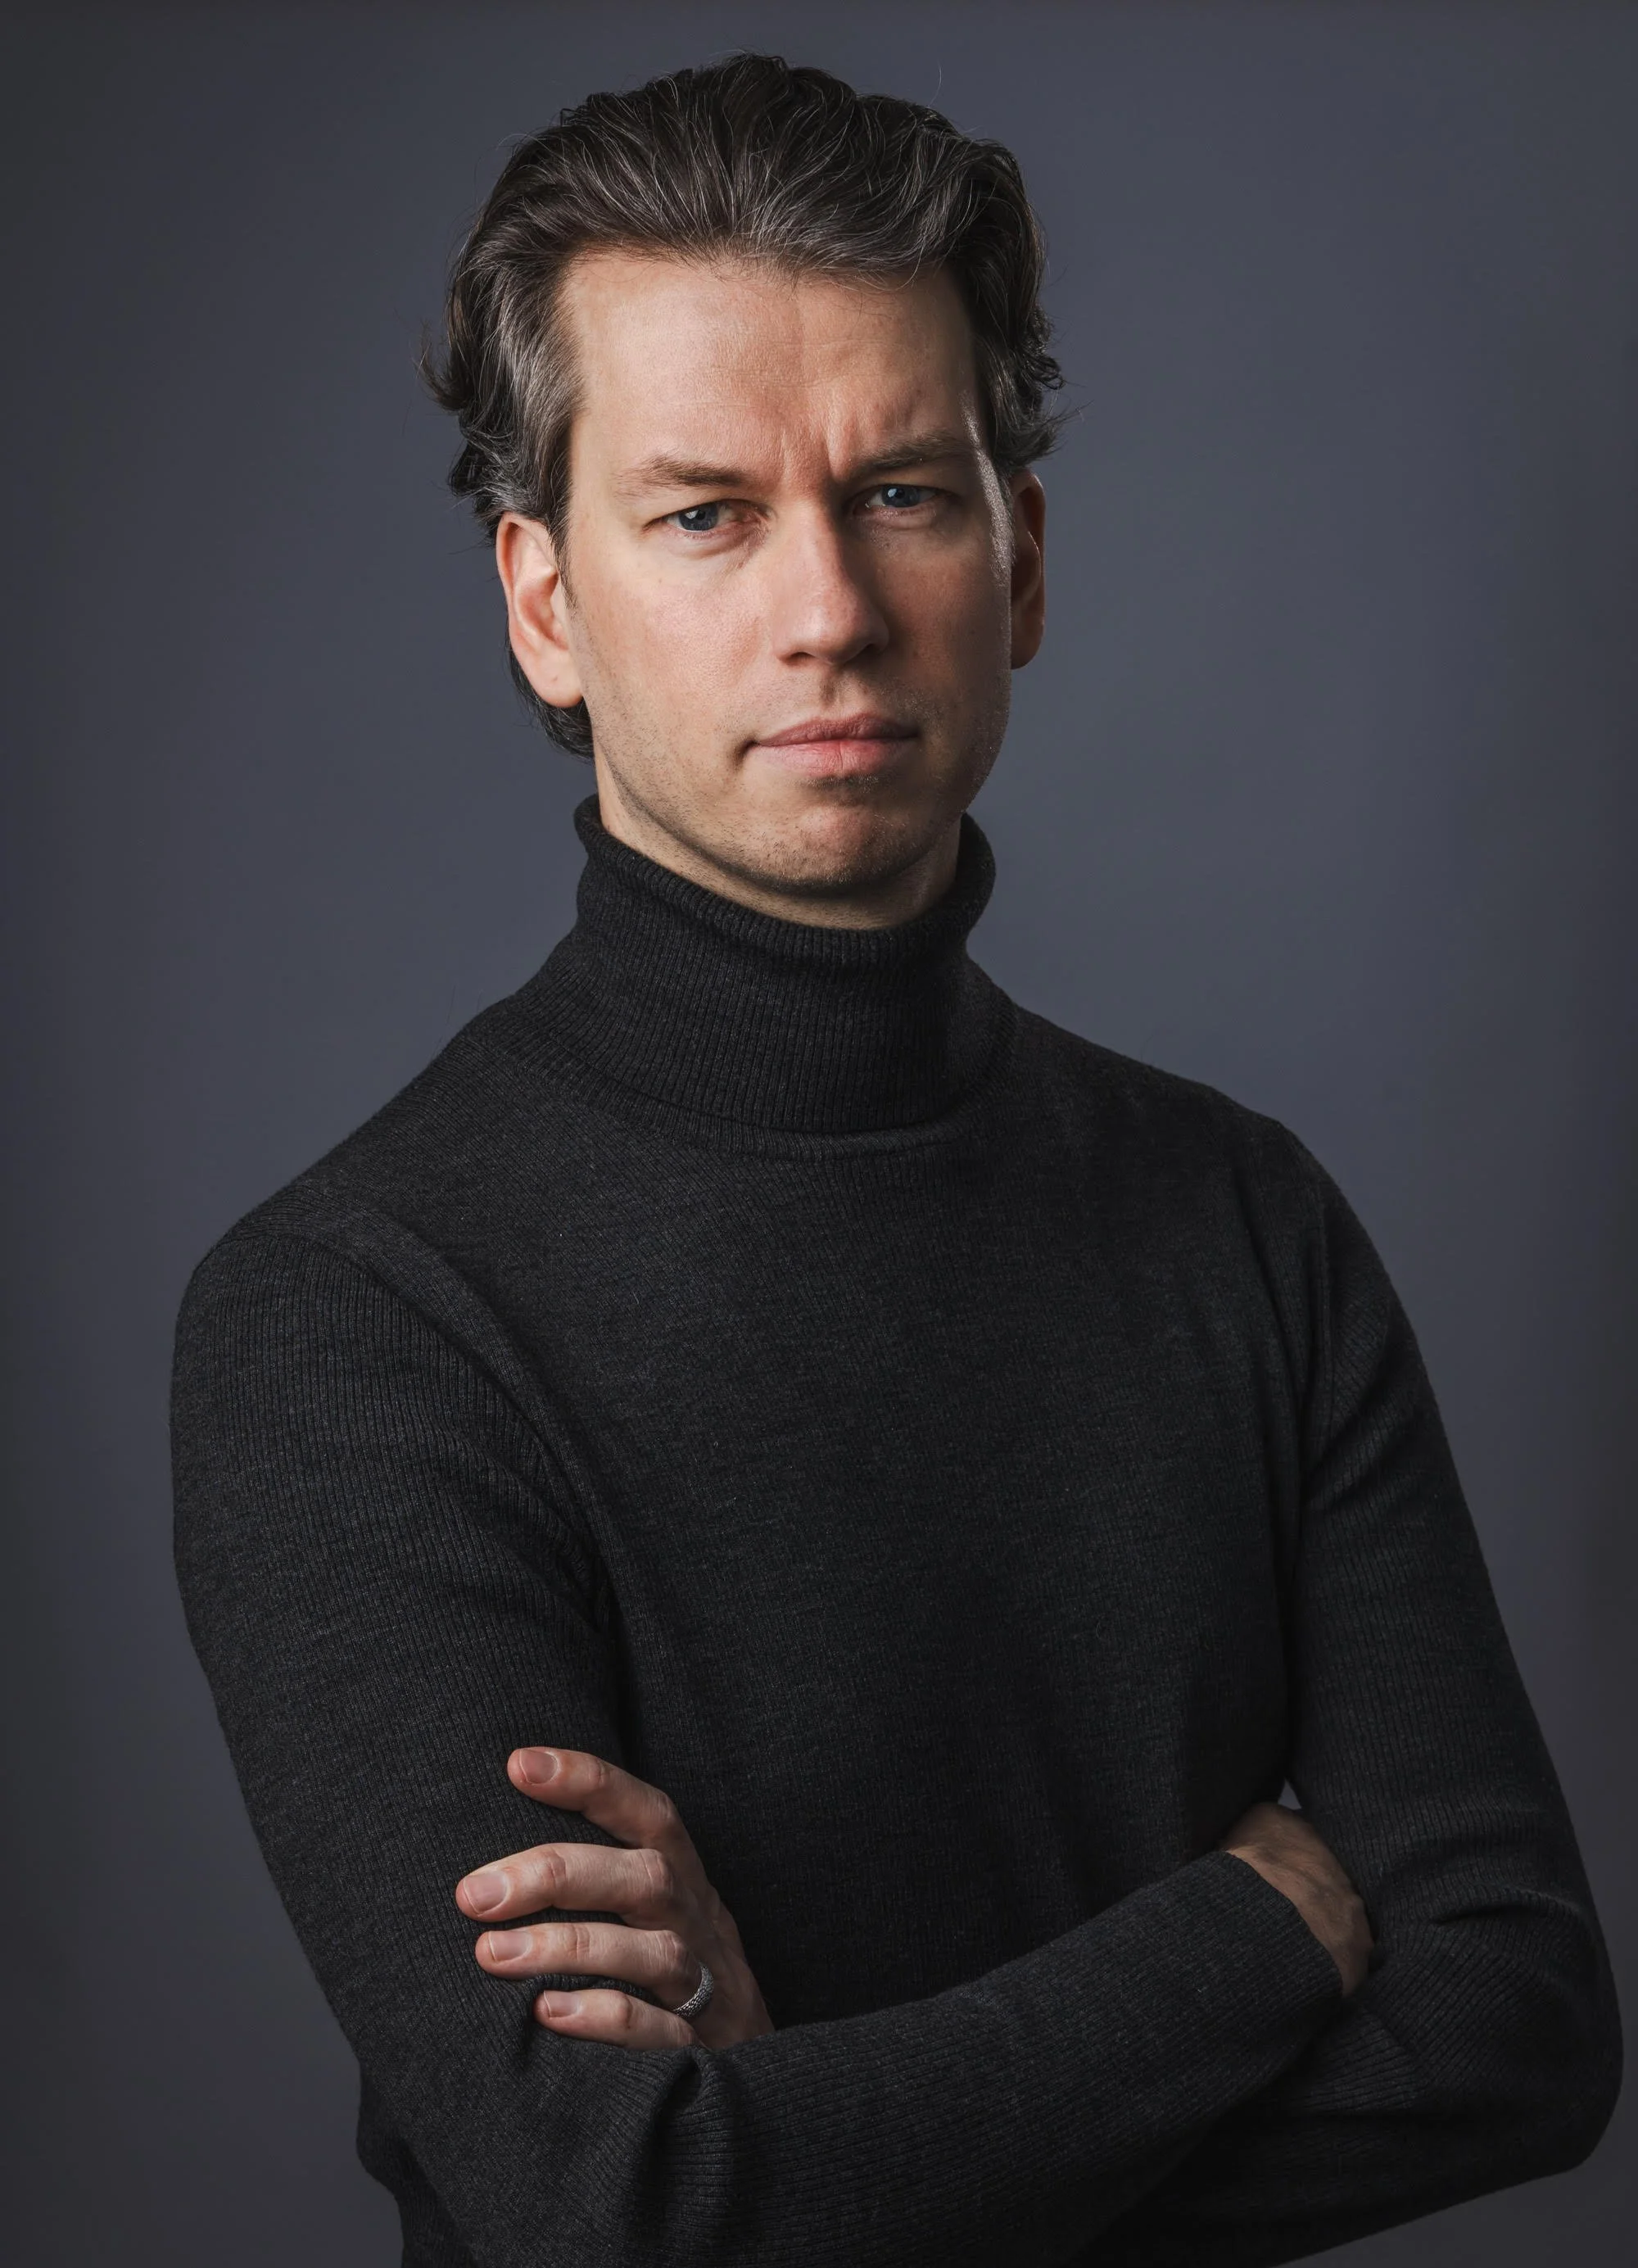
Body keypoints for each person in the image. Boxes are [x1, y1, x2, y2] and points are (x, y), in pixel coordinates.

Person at [170, 52, 1621, 2268]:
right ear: (545, 601)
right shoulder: (354, 1321)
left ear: (1021, 558)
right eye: (705, 513)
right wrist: (1258, 1927)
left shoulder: (1244, 1222)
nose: (831, 609)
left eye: (906, 492)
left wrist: (819, 2153)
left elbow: (1523, 2024)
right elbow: (624, 2207)